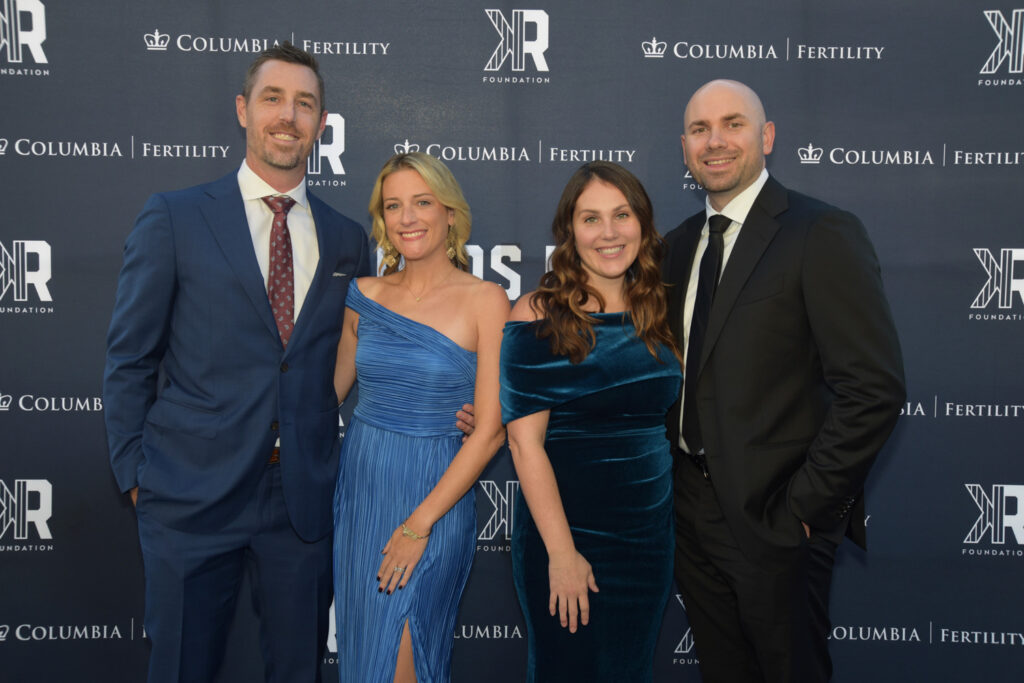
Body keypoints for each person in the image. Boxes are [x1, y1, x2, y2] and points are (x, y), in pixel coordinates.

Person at [103, 43, 370, 682]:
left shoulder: (346, 238)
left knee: (299, 670)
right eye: (273, 98)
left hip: (299, 501)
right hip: (188, 493)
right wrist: (137, 473)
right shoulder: (175, 217)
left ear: (321, 124)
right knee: (181, 668)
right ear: (243, 110)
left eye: (304, 103)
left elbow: (356, 348)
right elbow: (130, 356)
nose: (288, 116)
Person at [664, 79, 906, 682]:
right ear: (684, 147)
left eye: (733, 124)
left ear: (767, 136)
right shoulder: (673, 248)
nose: (715, 141)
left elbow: (873, 388)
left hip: (776, 517)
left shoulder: (820, 232)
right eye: (699, 129)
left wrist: (805, 508)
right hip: (688, 514)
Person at [500, 161, 682, 682]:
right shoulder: (538, 315)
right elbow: (525, 444)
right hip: (566, 535)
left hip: (647, 541)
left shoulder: (660, 311)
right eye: (591, 218)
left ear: (642, 223)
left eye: (621, 215)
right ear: (569, 230)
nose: (608, 232)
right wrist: (562, 554)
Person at [331, 152, 509, 683]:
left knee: (406, 656)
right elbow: (324, 397)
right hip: (362, 494)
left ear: (450, 213)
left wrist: (418, 524)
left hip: (435, 499)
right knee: (366, 660)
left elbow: (490, 431)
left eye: (422, 202)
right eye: (393, 206)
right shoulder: (363, 295)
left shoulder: (486, 300)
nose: (407, 218)